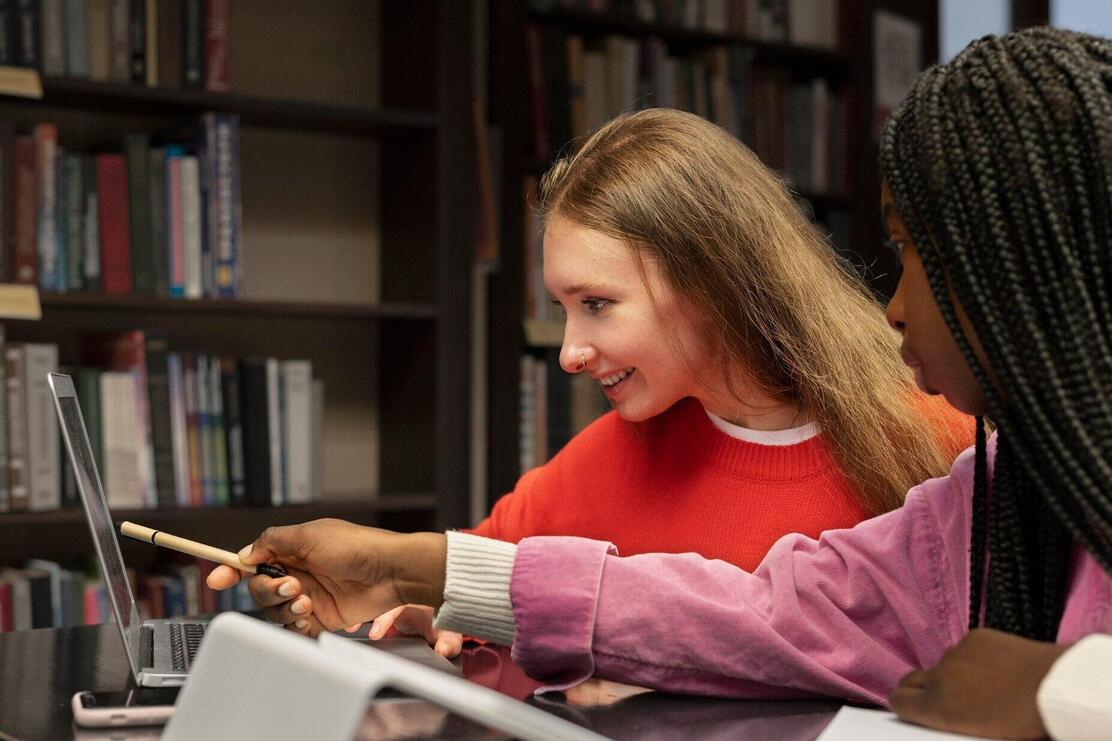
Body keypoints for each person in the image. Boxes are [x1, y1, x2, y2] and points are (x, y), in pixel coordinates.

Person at [211, 27, 1112, 740]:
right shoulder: (990, 505)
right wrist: (423, 569)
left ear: (1030, 275)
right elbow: (763, 613)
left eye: (913, 255)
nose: (894, 307)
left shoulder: (957, 448)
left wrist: (1064, 691)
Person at [361, 108, 971, 653]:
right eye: (562, 309)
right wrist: (434, 603)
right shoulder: (609, 456)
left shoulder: (945, 440)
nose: (569, 354)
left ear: (708, 283)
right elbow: (481, 562)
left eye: (596, 303)